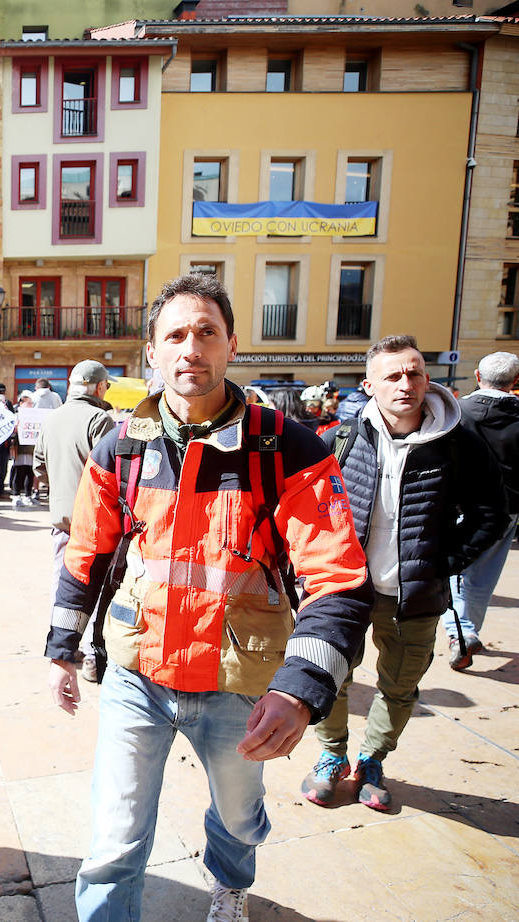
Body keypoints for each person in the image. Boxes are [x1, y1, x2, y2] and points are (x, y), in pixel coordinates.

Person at [48, 274, 373, 922]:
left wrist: (299, 687)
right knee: (114, 840)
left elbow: (338, 577)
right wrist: (63, 647)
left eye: (206, 333)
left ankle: (230, 882)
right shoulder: (121, 448)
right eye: (175, 334)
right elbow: (84, 551)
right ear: (151, 353)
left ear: (231, 345)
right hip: (137, 678)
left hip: (240, 685)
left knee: (238, 818)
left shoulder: (286, 448)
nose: (190, 347)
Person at [302, 335, 506, 811]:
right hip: (344, 590)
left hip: (415, 597)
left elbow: (490, 513)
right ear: (370, 386)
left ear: (426, 379)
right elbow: (305, 508)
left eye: (414, 373)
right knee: (329, 676)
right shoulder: (342, 437)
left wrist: (442, 565)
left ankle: (371, 760)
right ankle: (331, 756)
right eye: (392, 375)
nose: (405, 383)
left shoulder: (458, 442)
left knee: (399, 685)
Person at [34, 360, 114, 683]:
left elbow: (39, 468)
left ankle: (62, 650)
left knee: (63, 585)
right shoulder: (100, 418)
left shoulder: (51, 419)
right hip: (95, 521)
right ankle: (94, 658)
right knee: (94, 588)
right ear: (97, 387)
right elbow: (113, 471)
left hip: (61, 521)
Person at [448, 351, 519, 668]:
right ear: (515, 381)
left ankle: (460, 631)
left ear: (478, 376)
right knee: (483, 576)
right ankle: (465, 630)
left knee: (455, 570)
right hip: (506, 510)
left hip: (459, 504)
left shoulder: (457, 412)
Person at [9, 390, 37, 506]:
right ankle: (16, 495)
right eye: (28, 403)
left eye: (31, 403)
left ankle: (28, 495)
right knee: (19, 472)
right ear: (21, 403)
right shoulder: (16, 416)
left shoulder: (35, 416)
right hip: (20, 449)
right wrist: (15, 429)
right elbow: (11, 434)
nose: (30, 405)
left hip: (31, 449)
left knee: (30, 472)